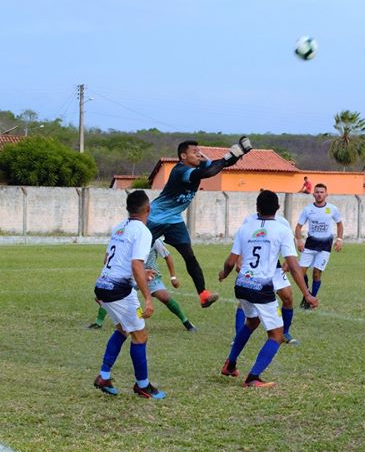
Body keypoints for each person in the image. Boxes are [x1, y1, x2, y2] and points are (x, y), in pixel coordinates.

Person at [218, 190, 316, 387]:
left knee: (252, 322)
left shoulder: (245, 228)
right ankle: (253, 377)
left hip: (242, 284)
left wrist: (224, 274)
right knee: (277, 336)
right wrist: (307, 293)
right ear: (278, 208)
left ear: (256, 208)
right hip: (261, 288)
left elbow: (230, 261)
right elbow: (294, 266)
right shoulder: (282, 230)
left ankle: (230, 364)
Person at [147, 137, 252, 309]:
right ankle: (115, 285)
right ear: (183, 156)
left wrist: (240, 152)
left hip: (174, 220)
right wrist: (228, 156)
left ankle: (203, 295)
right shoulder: (181, 170)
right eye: (194, 152)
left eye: (199, 151)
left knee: (189, 256)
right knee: (136, 253)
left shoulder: (198, 165)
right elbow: (209, 173)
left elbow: (221, 165)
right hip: (155, 218)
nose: (199, 155)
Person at [92, 190, 165, 399]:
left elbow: (108, 258)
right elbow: (135, 264)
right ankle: (142, 385)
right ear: (148, 209)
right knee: (140, 335)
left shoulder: (119, 227)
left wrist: (141, 274)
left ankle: (104, 376)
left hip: (103, 285)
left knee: (123, 329)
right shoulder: (143, 231)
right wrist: (148, 298)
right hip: (118, 290)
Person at [88, 236, 197, 333]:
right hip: (132, 276)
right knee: (111, 296)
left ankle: (187, 323)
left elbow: (167, 256)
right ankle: (98, 323)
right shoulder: (131, 240)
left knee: (164, 297)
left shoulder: (155, 240)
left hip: (151, 276)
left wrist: (173, 277)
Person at [232, 210, 302, 345]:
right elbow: (243, 242)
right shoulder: (249, 221)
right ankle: (238, 335)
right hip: (254, 268)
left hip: (274, 266)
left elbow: (290, 239)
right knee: (246, 300)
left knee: (287, 297)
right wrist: (239, 260)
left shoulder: (281, 222)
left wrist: (288, 259)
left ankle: (285, 333)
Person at [294, 183, 344, 308]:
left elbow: (339, 224)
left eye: (322, 192)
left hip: (325, 246)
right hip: (310, 244)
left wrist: (339, 239)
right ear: (313, 194)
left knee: (316, 273)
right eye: (317, 192)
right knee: (300, 272)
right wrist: (299, 240)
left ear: (326, 194)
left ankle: (310, 301)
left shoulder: (332, 209)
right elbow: (298, 227)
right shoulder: (308, 209)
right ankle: (307, 295)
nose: (319, 194)